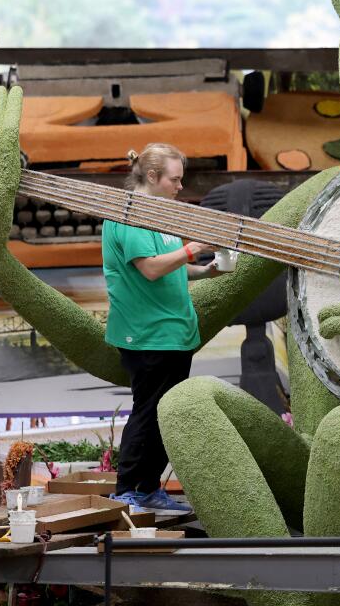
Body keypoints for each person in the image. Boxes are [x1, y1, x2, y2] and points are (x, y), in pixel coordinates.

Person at [104, 143, 220, 510]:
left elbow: (169, 264)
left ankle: (147, 489)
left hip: (171, 334)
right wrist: (193, 248)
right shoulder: (130, 214)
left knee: (161, 415)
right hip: (147, 336)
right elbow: (151, 268)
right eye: (175, 179)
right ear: (152, 177)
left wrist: (204, 269)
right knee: (147, 411)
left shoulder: (160, 212)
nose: (180, 187)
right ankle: (127, 491)